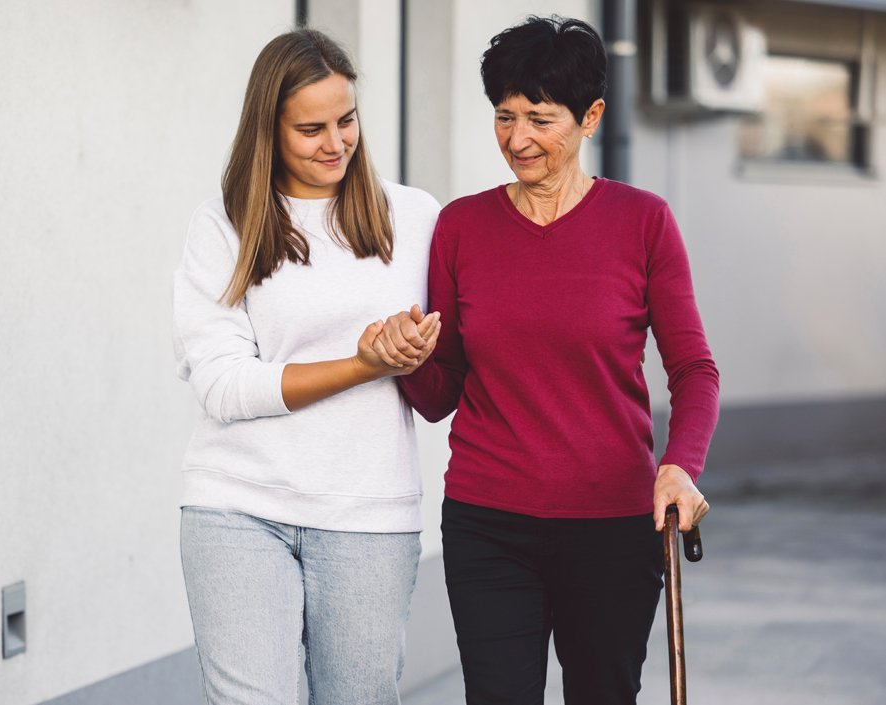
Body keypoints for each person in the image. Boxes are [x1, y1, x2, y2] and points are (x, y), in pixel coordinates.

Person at [372, 16, 720, 705]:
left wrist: (679, 465)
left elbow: (693, 370)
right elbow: (441, 391)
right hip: (487, 522)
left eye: (539, 117)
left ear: (590, 117)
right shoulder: (462, 227)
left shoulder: (641, 222)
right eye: (503, 116)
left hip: (614, 526)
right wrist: (403, 358)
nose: (517, 138)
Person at [171, 28, 442, 705]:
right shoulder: (223, 226)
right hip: (238, 506)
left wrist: (419, 352)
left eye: (346, 120)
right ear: (269, 130)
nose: (335, 143)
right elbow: (224, 385)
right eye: (310, 128)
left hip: (369, 512)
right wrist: (361, 362)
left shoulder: (413, 218)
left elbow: (455, 362)